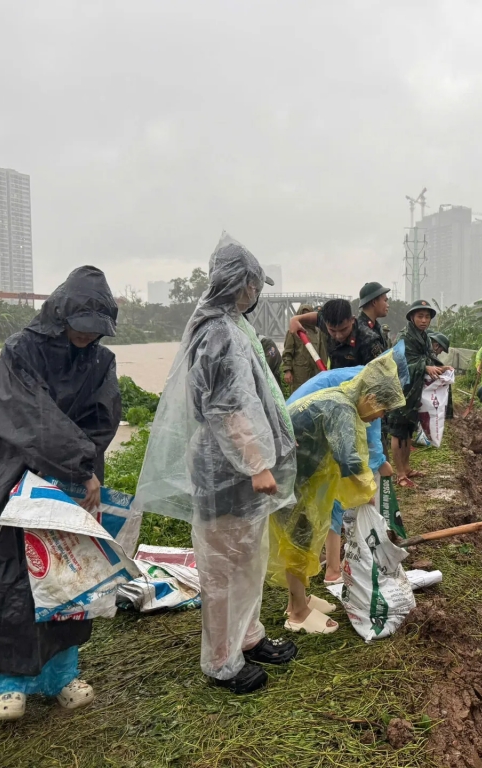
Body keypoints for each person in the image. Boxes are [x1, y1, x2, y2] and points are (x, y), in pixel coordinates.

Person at [0, 266, 122, 721]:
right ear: (61, 316)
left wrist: (80, 469)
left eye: (95, 332)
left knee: (67, 574)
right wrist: (79, 464)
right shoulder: (21, 349)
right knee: (9, 577)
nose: (86, 338)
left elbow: (103, 419)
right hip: (10, 472)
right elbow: (24, 416)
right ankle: (9, 683)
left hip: (74, 480)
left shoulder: (101, 361)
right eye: (80, 329)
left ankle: (61, 675)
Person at [136, 233, 298, 695]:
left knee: (248, 555)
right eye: (253, 283)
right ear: (240, 283)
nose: (257, 291)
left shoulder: (231, 325)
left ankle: (248, 636)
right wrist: (256, 464)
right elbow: (225, 406)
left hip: (239, 467)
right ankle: (221, 661)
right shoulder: (218, 333)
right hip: (225, 469)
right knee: (223, 565)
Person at [270, 350, 406, 634]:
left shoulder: (341, 400)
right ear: (370, 398)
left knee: (303, 540)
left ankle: (299, 599)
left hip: (295, 474)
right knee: (299, 540)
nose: (380, 417)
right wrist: (366, 489)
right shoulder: (342, 407)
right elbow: (349, 460)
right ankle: (297, 612)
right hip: (285, 476)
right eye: (383, 410)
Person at [387, 299, 451, 488]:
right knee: (398, 432)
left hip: (414, 392)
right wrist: (425, 367)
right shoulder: (404, 338)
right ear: (412, 318)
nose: (424, 320)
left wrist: (440, 367)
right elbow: (399, 364)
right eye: (420, 316)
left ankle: (406, 468)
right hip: (402, 390)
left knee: (408, 430)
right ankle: (399, 474)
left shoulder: (423, 337)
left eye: (427, 317)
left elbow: (427, 358)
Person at [288, 298, 385, 370]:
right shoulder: (328, 323)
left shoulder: (369, 341)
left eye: (344, 329)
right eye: (332, 331)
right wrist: (296, 319)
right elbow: (317, 317)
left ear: (352, 320)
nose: (338, 335)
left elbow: (381, 376)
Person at [282, 303, 328, 389]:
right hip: (299, 373)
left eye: (307, 314)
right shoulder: (293, 331)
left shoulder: (318, 332)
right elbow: (287, 352)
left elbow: (322, 353)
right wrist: (287, 370)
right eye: (303, 314)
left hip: (315, 372)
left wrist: (324, 370)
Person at [357, 281, 390, 350]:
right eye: (385, 301)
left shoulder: (374, 327)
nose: (388, 305)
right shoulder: (364, 332)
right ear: (374, 302)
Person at [430, 332, 454, 419]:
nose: (440, 353)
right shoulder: (426, 351)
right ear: (436, 345)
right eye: (441, 350)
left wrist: (444, 369)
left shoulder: (430, 352)